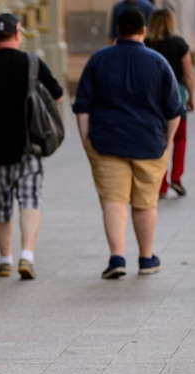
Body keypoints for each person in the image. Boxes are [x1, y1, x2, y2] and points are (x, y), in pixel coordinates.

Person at [73, 7, 181, 279]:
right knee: (146, 202)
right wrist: (167, 141)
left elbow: (82, 106)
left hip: (107, 142)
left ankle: (117, 257)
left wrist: (86, 140)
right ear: (143, 31)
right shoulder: (158, 62)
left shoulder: (98, 60)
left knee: (114, 200)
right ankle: (146, 257)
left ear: (118, 31)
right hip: (150, 143)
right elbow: (174, 111)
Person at [0, 13, 63, 280]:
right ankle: (26, 256)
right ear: (17, 33)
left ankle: (5, 260)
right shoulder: (31, 62)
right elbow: (58, 95)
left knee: (1, 204)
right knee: (30, 198)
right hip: (28, 147)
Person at [145, 8, 194, 197]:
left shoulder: (147, 44)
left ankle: (161, 184)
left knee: (160, 139)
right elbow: (188, 74)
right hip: (176, 95)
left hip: (153, 96)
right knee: (179, 139)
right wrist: (191, 96)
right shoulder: (179, 44)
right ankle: (176, 178)